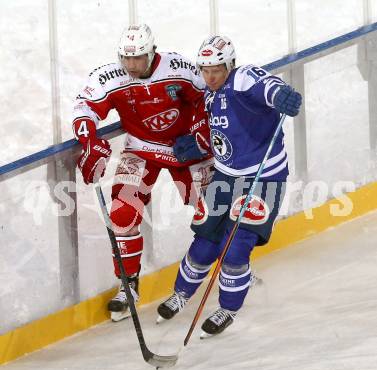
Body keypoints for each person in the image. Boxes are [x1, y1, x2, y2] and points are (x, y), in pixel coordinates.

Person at [157, 35, 302, 337]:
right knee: (204, 243)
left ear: (230, 65)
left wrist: (282, 96)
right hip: (225, 178)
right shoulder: (210, 97)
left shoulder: (243, 78)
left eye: (216, 69)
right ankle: (181, 294)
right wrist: (197, 145)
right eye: (205, 69)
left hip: (263, 179)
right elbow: (223, 138)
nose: (210, 76)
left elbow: (268, 87)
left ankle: (228, 309)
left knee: (234, 249)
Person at [72, 24, 213, 322]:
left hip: (186, 149)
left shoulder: (179, 67)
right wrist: (90, 142)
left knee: (213, 211)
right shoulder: (108, 76)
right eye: (126, 58)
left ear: (153, 52)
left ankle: (232, 267)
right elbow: (84, 108)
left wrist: (200, 133)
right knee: (122, 214)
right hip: (141, 150)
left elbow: (207, 96)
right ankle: (128, 286)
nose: (131, 65)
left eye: (138, 59)